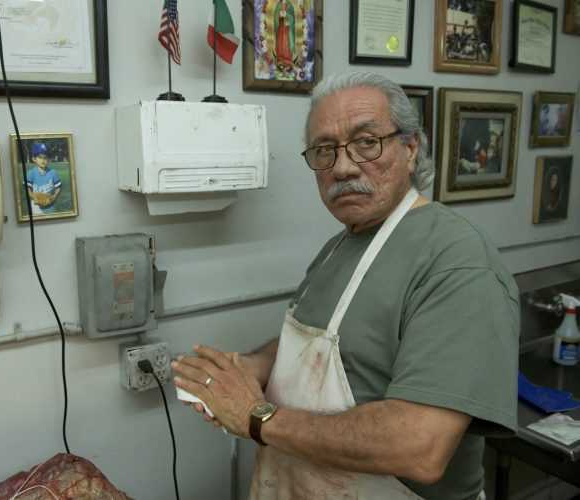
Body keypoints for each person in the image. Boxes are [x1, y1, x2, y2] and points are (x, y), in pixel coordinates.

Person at [172, 71, 519, 500]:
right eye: (324, 150)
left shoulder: (457, 262)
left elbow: (420, 448)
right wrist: (252, 367)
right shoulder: (340, 245)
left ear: (411, 149)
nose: (342, 167)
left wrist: (257, 417)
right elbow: (326, 342)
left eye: (366, 142)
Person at [26, 142, 61, 214]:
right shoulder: (31, 173)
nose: (43, 160)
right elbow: (28, 189)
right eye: (40, 157)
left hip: (50, 205)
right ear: (34, 159)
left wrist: (54, 197)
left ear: (49, 159)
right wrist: (33, 197)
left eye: (45, 157)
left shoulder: (53, 173)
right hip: (36, 206)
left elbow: (58, 187)